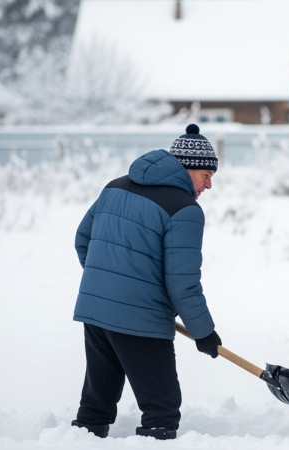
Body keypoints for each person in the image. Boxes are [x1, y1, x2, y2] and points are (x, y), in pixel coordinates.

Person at [70, 124, 222, 440]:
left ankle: (78, 443)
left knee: (96, 405)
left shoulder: (115, 186)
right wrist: (203, 331)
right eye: (206, 175)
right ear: (186, 167)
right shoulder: (185, 209)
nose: (209, 185)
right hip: (140, 319)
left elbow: (83, 239)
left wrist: (108, 283)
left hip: (96, 311)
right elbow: (183, 283)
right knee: (162, 410)